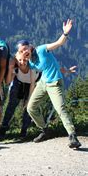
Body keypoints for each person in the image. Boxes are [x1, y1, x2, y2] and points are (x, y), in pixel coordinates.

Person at [20, 19, 81, 149]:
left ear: (30, 47)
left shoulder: (41, 50)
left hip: (54, 83)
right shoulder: (30, 62)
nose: (25, 51)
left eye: (26, 49)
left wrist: (65, 33)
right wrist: (66, 71)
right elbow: (52, 65)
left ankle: (72, 135)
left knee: (60, 108)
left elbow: (59, 43)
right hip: (43, 83)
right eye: (22, 51)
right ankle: (45, 130)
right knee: (31, 107)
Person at [0, 41, 38, 139]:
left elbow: (33, 84)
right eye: (20, 60)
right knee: (11, 105)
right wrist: (10, 67)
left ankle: (24, 131)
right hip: (19, 82)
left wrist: (29, 100)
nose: (22, 63)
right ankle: (3, 129)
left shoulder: (33, 64)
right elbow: (7, 83)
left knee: (28, 107)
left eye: (25, 60)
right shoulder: (15, 65)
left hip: (32, 84)